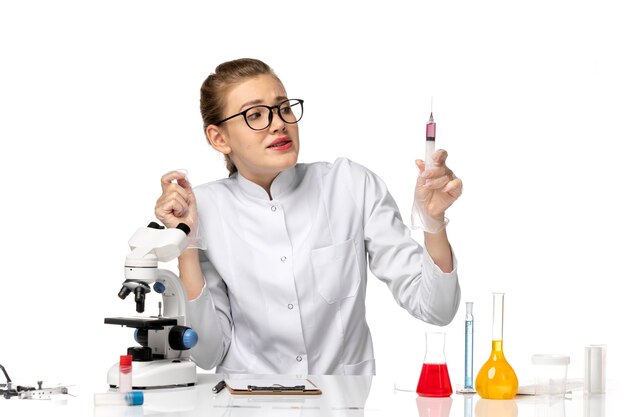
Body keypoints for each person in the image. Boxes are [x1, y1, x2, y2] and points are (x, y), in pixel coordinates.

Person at [155, 58, 463, 375]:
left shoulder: (351, 185)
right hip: (248, 404)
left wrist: (432, 223)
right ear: (219, 138)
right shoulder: (204, 207)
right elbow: (206, 353)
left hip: (341, 403)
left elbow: (436, 309)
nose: (279, 124)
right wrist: (187, 245)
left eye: (283, 108)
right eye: (255, 115)